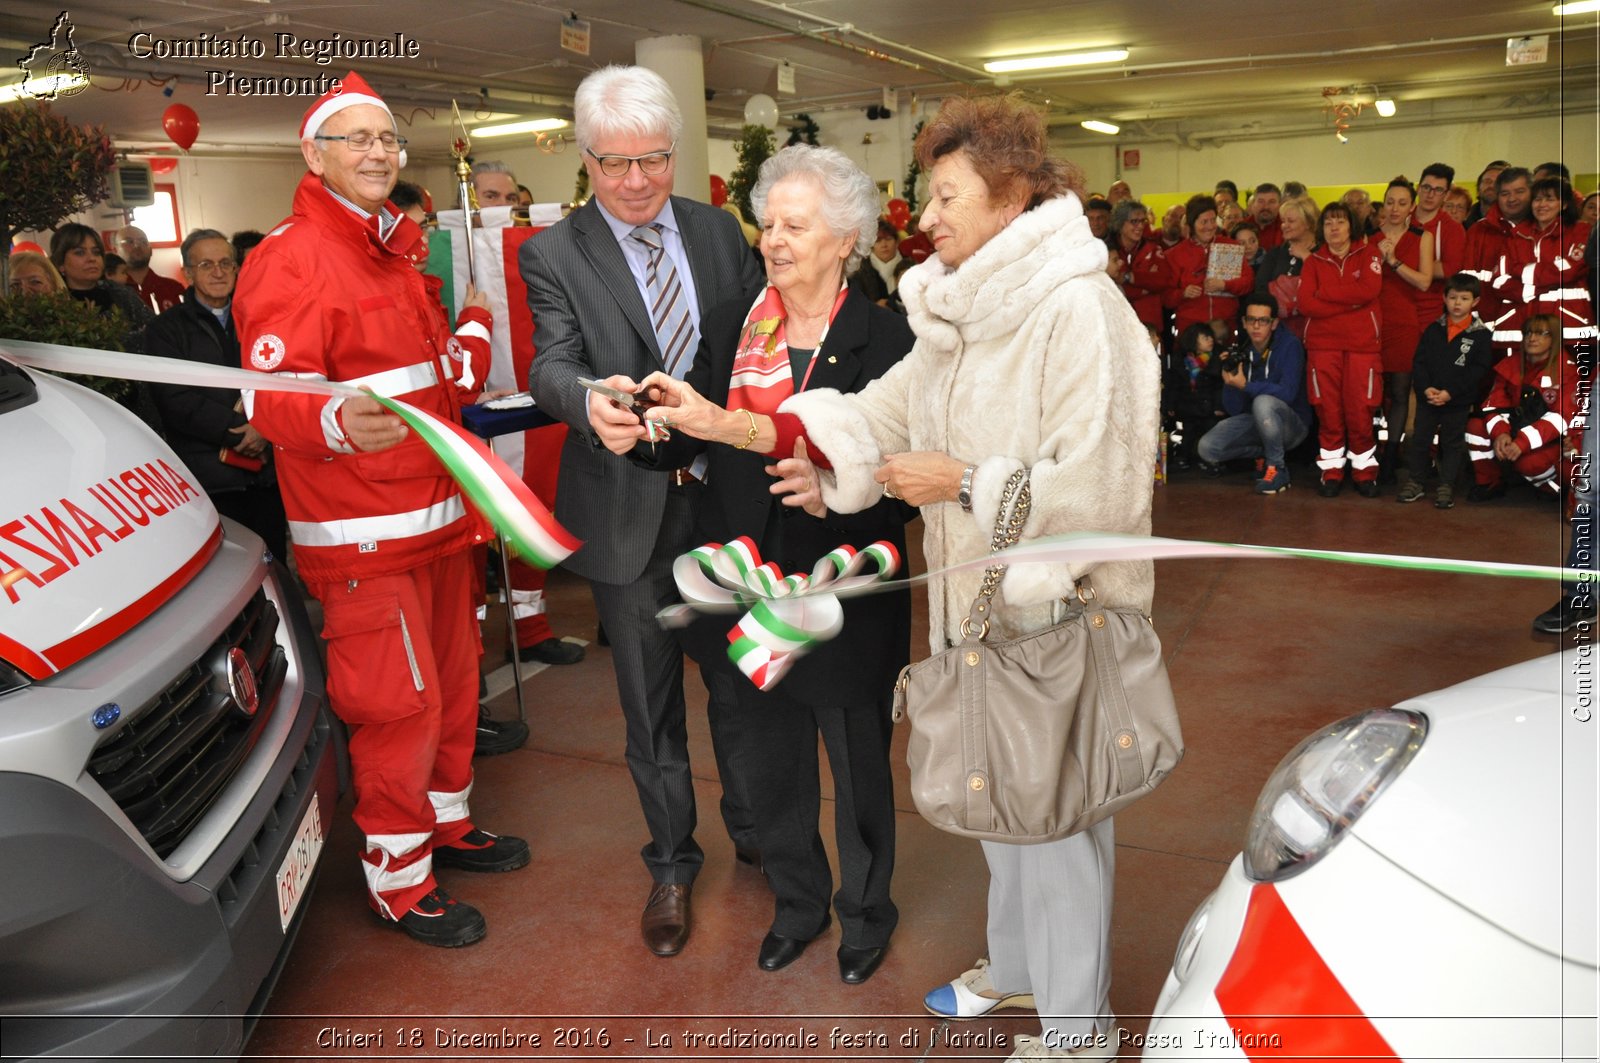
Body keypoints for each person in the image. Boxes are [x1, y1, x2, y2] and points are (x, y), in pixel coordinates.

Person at [646, 92, 1156, 1062]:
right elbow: (864, 418)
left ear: (1010, 200)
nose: (923, 219)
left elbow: (1106, 488)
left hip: (1063, 615)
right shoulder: (965, 317)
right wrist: (726, 425)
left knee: (1057, 831)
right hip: (981, 609)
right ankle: (1015, 969)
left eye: (946, 197)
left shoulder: (1080, 312)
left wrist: (964, 479)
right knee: (1007, 820)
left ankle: (1078, 1030)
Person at [234, 72, 529, 949]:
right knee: (396, 706)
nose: (376, 153)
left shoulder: (392, 250)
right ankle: (398, 882)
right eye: (356, 139)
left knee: (453, 684)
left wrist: (472, 330)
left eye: (387, 139)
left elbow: (434, 379)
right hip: (365, 535)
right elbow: (268, 397)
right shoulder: (290, 256)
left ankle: (445, 826)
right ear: (314, 154)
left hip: (440, 522)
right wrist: (328, 416)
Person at [635, 145, 914, 984]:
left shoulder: (888, 337)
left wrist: (844, 489)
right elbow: (696, 428)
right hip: (743, 584)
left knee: (857, 758)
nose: (774, 239)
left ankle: (867, 912)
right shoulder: (730, 323)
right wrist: (647, 425)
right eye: (769, 221)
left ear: (847, 240)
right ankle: (799, 905)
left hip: (848, 591)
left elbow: (911, 476)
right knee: (767, 758)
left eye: (798, 225)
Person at [520, 64, 764, 958]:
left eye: (653, 160)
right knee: (649, 706)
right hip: (627, 507)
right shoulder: (553, 252)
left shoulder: (716, 231)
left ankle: (760, 834)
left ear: (675, 152)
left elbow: (750, 347)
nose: (634, 182)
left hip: (725, 494)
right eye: (614, 163)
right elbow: (549, 359)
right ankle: (670, 860)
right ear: (586, 158)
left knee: (744, 684)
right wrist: (587, 400)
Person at [390, 179, 530, 758]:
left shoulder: (410, 284)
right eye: (423, 226)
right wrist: (475, 315)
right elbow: (462, 377)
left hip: (433, 484)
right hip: (417, 489)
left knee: (455, 617)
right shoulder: (403, 291)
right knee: (437, 631)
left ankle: (464, 717)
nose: (429, 237)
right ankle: (459, 726)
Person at [146, 228, 288, 560]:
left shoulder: (261, 319)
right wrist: (238, 432)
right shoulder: (165, 330)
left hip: (268, 472)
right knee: (230, 570)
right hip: (211, 476)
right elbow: (174, 399)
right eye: (207, 264)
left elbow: (284, 378)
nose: (219, 272)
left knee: (276, 563)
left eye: (226, 263)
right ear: (188, 273)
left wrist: (264, 427)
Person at [1299, 200, 1384, 497]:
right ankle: (1331, 470)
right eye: (1328, 223)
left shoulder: (1369, 254)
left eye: (1340, 221)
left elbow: (1370, 291)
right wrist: (1352, 302)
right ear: (1322, 229)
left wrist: (1325, 295)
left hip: (1362, 347)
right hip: (1323, 348)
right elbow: (1306, 303)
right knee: (1328, 409)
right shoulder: (1313, 262)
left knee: (1361, 410)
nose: (1334, 228)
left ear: (1351, 226)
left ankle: (1364, 471)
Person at [1195, 292, 1311, 494]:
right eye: (1251, 320)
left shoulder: (1290, 346)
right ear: (1244, 322)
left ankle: (1277, 468)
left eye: (1263, 321)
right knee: (1207, 448)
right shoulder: (1243, 349)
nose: (1256, 326)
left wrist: (1246, 386)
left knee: (1263, 402)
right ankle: (1264, 454)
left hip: (1293, 425)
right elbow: (1235, 409)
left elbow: (1289, 393)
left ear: (1273, 323)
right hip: (1258, 422)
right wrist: (1230, 381)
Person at [1397, 273, 1494, 509]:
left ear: (1476, 302)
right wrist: (1426, 388)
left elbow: (1478, 371)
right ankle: (1416, 481)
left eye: (1464, 298)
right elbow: (1419, 362)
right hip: (1428, 398)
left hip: (1457, 401)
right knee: (1420, 440)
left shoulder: (1480, 335)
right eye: (1452, 297)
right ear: (1444, 298)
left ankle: (1446, 485)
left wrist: (1451, 392)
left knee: (1452, 444)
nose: (1457, 303)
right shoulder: (1433, 329)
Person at [1465, 312, 1582, 502]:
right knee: (1475, 426)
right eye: (1528, 333)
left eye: (1541, 333)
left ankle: (1553, 488)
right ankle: (1490, 481)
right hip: (1518, 427)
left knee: (1529, 464)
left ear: (1555, 339)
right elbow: (1494, 404)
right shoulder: (1512, 363)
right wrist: (1500, 433)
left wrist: (1522, 442)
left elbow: (1561, 418)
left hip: (1552, 439)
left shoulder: (1567, 370)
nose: (1532, 338)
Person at [1374, 176, 1437, 480]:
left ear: (1412, 206)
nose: (1395, 208)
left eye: (1401, 203)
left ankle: (1389, 457)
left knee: (1400, 391)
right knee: (1372, 392)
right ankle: (1367, 453)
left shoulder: (1422, 236)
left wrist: (1394, 261)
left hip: (1404, 321)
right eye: (1389, 202)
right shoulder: (1367, 237)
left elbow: (1425, 281)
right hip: (1372, 321)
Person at [49, 223, 154, 351]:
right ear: (60, 264)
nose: (91, 258)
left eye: (96, 252)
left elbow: (156, 331)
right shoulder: (53, 304)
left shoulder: (122, 294)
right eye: (80, 253)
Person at [1166, 194, 1253, 339]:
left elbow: (1248, 283)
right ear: (1192, 224)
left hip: (1225, 328)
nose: (1210, 226)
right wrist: (1183, 293)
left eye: (1213, 220)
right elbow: (1166, 297)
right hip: (1190, 330)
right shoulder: (1174, 254)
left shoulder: (1230, 247)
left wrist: (1225, 285)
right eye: (1204, 221)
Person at [1526, 175, 1593, 347]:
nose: (1542, 205)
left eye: (1549, 199)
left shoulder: (1581, 230)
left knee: (1580, 372)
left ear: (1564, 204)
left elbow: (1572, 269)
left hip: (1574, 322)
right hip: (1533, 321)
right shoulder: (1522, 234)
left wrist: (1529, 273)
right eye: (1537, 199)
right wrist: (1552, 270)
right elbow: (1509, 273)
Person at [1253, 195, 1319, 340]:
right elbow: (1260, 288)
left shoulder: (1323, 254)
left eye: (1291, 221)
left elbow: (1325, 286)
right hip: (1279, 331)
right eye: (1283, 221)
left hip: (1314, 329)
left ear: (1308, 223)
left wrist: (1307, 257)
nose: (1285, 225)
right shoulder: (1275, 253)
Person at [1106, 198, 1173, 332]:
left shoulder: (1153, 248)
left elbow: (1163, 281)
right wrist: (1146, 287)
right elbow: (1114, 287)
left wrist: (1129, 277)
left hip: (1150, 326)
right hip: (1117, 324)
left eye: (1143, 221)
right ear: (1120, 223)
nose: (1140, 226)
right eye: (1134, 221)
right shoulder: (1108, 250)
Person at [1167, 322, 1225, 471]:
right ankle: (1183, 457)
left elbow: (1220, 386)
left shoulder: (1217, 358)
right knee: (1188, 435)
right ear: (1193, 341)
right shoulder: (1181, 360)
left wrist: (1219, 406)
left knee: (1210, 434)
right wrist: (1170, 405)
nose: (1210, 340)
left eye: (1211, 337)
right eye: (1205, 338)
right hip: (1188, 406)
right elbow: (1174, 385)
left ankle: (1210, 459)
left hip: (1209, 407)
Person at [115, 225, 185, 313]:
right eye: (129, 241)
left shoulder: (173, 288)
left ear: (151, 250)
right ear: (116, 250)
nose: (137, 246)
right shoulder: (111, 290)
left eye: (143, 241)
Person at [1251, 182, 1284, 250]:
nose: (1266, 207)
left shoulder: (1287, 228)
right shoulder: (1241, 227)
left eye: (1271, 202)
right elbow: (1231, 259)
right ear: (1253, 203)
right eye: (1261, 201)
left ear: (1280, 205)